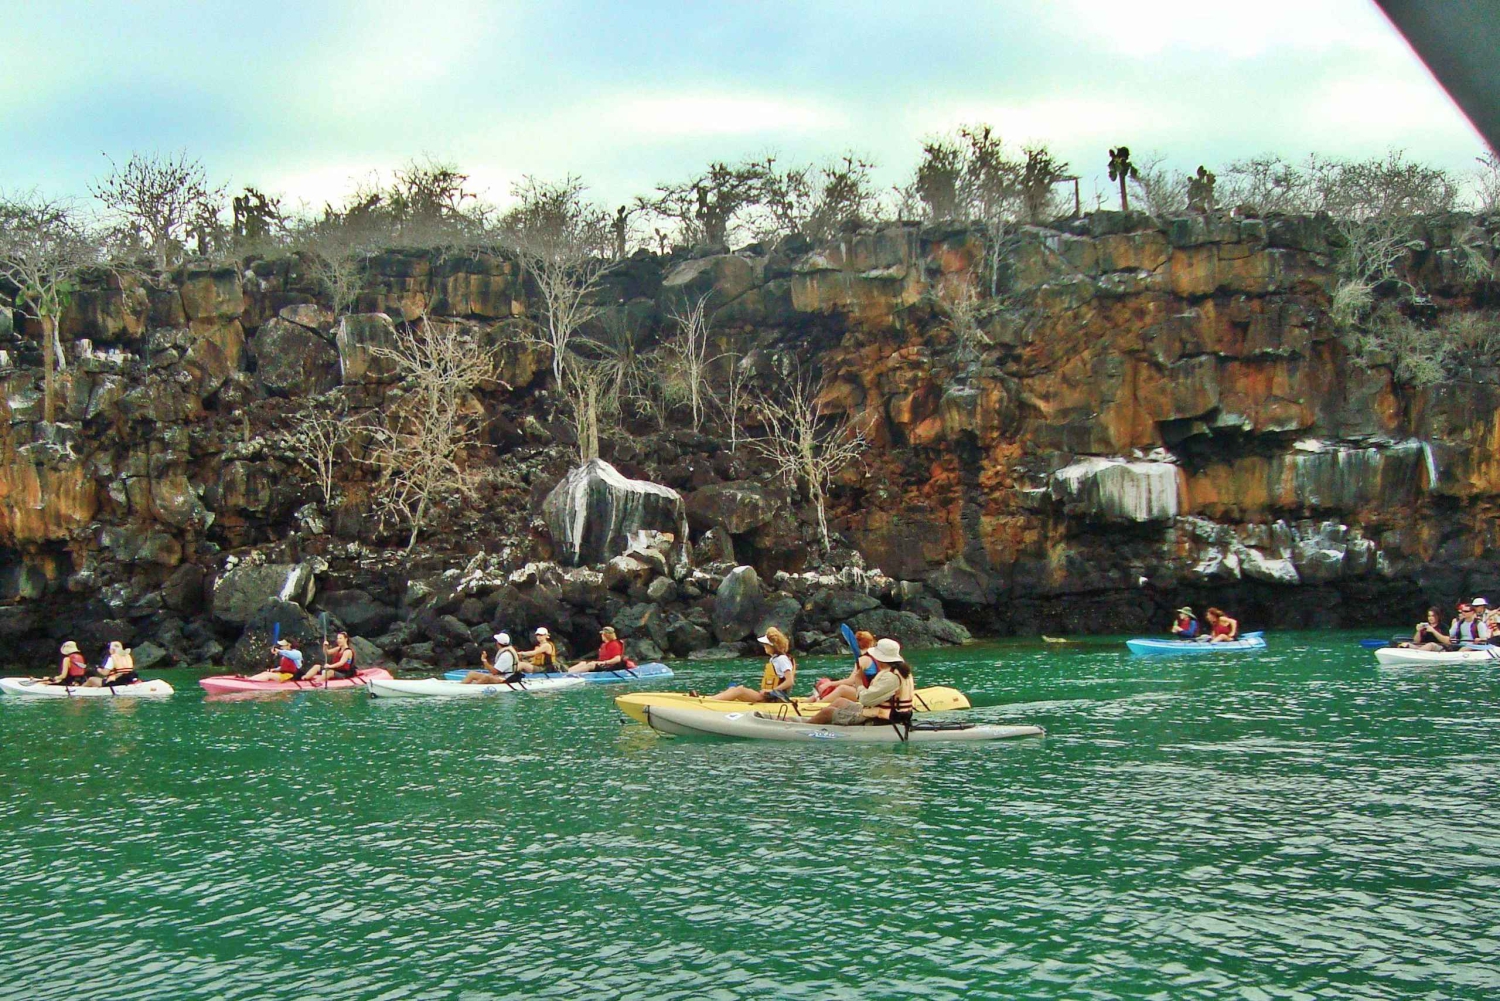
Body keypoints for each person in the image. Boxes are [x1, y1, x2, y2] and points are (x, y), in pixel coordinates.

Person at [800, 638, 914, 727]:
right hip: (882, 713)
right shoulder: (899, 671)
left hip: (883, 719)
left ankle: (806, 727)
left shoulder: (891, 677)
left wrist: (859, 682)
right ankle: (813, 721)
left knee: (828, 712)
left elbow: (865, 699)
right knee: (840, 702)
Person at [714, 628, 796, 703]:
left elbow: (790, 681)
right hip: (769, 696)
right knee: (733, 689)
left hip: (776, 697)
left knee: (740, 690)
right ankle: (711, 700)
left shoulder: (782, 659)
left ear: (773, 646)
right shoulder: (774, 659)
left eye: (766, 645)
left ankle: (710, 702)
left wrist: (771, 691)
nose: (764, 646)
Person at [814, 631, 877, 702]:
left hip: (868, 695)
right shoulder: (875, 656)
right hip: (870, 692)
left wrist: (829, 684)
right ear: (871, 642)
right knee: (837, 687)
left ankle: (819, 704)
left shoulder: (863, 659)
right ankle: (811, 700)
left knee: (842, 689)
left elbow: (850, 681)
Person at [567, 626, 632, 674]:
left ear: (606, 635)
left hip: (609, 666)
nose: (601, 636)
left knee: (591, 665)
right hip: (603, 664)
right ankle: (565, 673)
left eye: (602, 634)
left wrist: (604, 662)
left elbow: (617, 659)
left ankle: (569, 675)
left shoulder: (614, 644)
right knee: (582, 663)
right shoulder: (604, 644)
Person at [245, 639, 313, 683]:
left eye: (283, 645)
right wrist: (275, 669)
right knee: (265, 673)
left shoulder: (297, 653)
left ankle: (252, 682)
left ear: (289, 645)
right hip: (283, 674)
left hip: (291, 676)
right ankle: (249, 680)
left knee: (268, 676)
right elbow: (283, 667)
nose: (281, 647)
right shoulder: (285, 655)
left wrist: (278, 651)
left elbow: (289, 654)